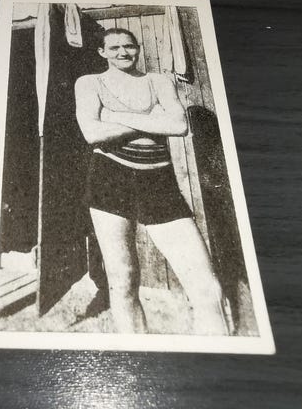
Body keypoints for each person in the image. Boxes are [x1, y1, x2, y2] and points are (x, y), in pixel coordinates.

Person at [74, 27, 227, 334]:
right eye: (114, 47)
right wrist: (153, 121)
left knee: (206, 286)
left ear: (138, 48)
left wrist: (114, 116)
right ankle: (138, 350)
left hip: (158, 180)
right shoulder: (90, 83)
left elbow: (179, 125)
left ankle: (214, 350)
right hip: (110, 178)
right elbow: (92, 133)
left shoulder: (159, 81)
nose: (123, 52)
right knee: (123, 280)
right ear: (102, 52)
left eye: (129, 46)